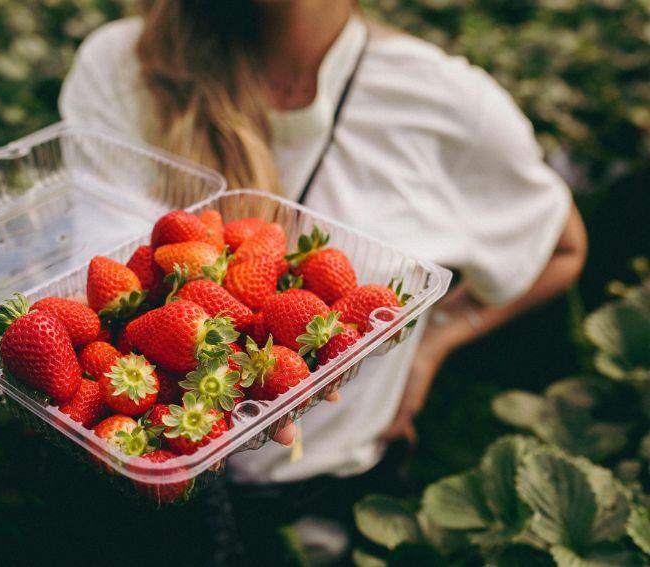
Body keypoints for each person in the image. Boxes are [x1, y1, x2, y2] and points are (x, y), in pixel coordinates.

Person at [59, 0, 588, 563]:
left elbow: (563, 247)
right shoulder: (121, 66)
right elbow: (84, 298)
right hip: (131, 483)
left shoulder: (446, 103)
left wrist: (433, 344)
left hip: (322, 495)